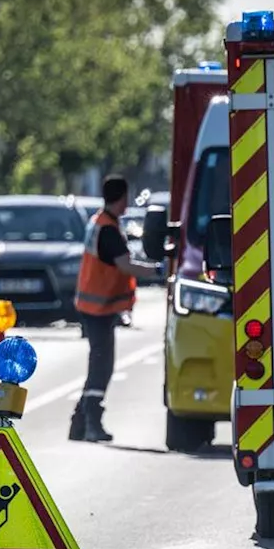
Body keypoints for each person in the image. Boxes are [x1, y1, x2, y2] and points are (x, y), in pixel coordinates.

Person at [70, 174, 164, 442]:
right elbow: (125, 265)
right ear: (121, 197)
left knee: (98, 363)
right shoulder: (108, 229)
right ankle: (90, 425)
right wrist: (158, 270)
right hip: (98, 307)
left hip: (92, 305)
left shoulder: (100, 222)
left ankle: (79, 425)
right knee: (102, 365)